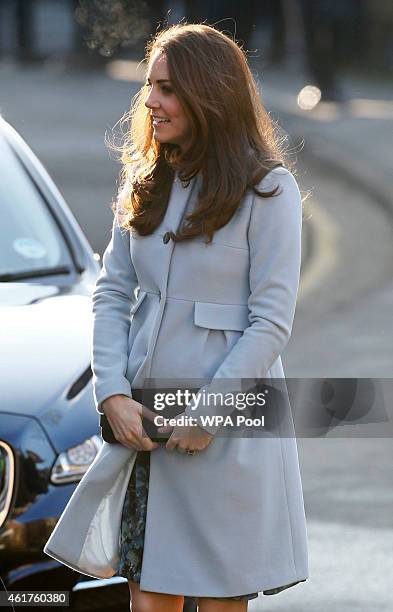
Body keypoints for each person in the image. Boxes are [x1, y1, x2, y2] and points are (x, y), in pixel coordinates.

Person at [91, 22, 309, 612]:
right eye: (150, 88)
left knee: (218, 601)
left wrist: (209, 414)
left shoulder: (270, 190)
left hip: (228, 430)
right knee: (149, 595)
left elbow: (271, 322)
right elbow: (112, 293)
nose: (151, 103)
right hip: (148, 426)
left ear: (208, 93)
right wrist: (112, 392)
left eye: (166, 89)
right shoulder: (145, 178)